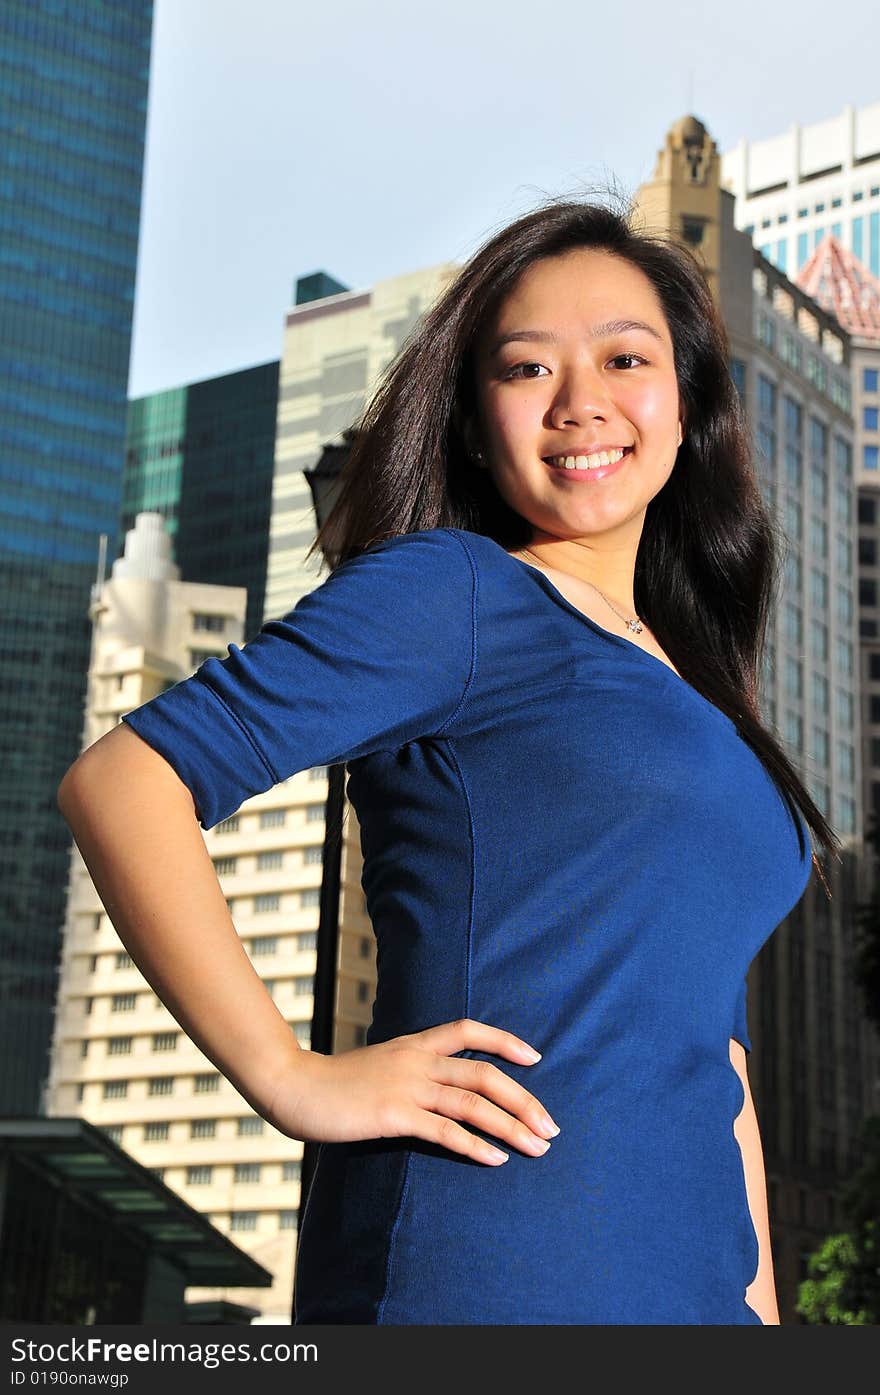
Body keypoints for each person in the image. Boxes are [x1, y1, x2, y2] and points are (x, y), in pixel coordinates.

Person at [57, 194, 840, 1326]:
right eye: (527, 370)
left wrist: (761, 1318)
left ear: (687, 407)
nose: (582, 404)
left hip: (688, 1293)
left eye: (626, 358)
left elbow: (711, 1054)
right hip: (486, 1266)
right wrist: (293, 1078)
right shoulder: (460, 594)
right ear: (475, 422)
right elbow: (125, 783)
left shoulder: (697, 687)